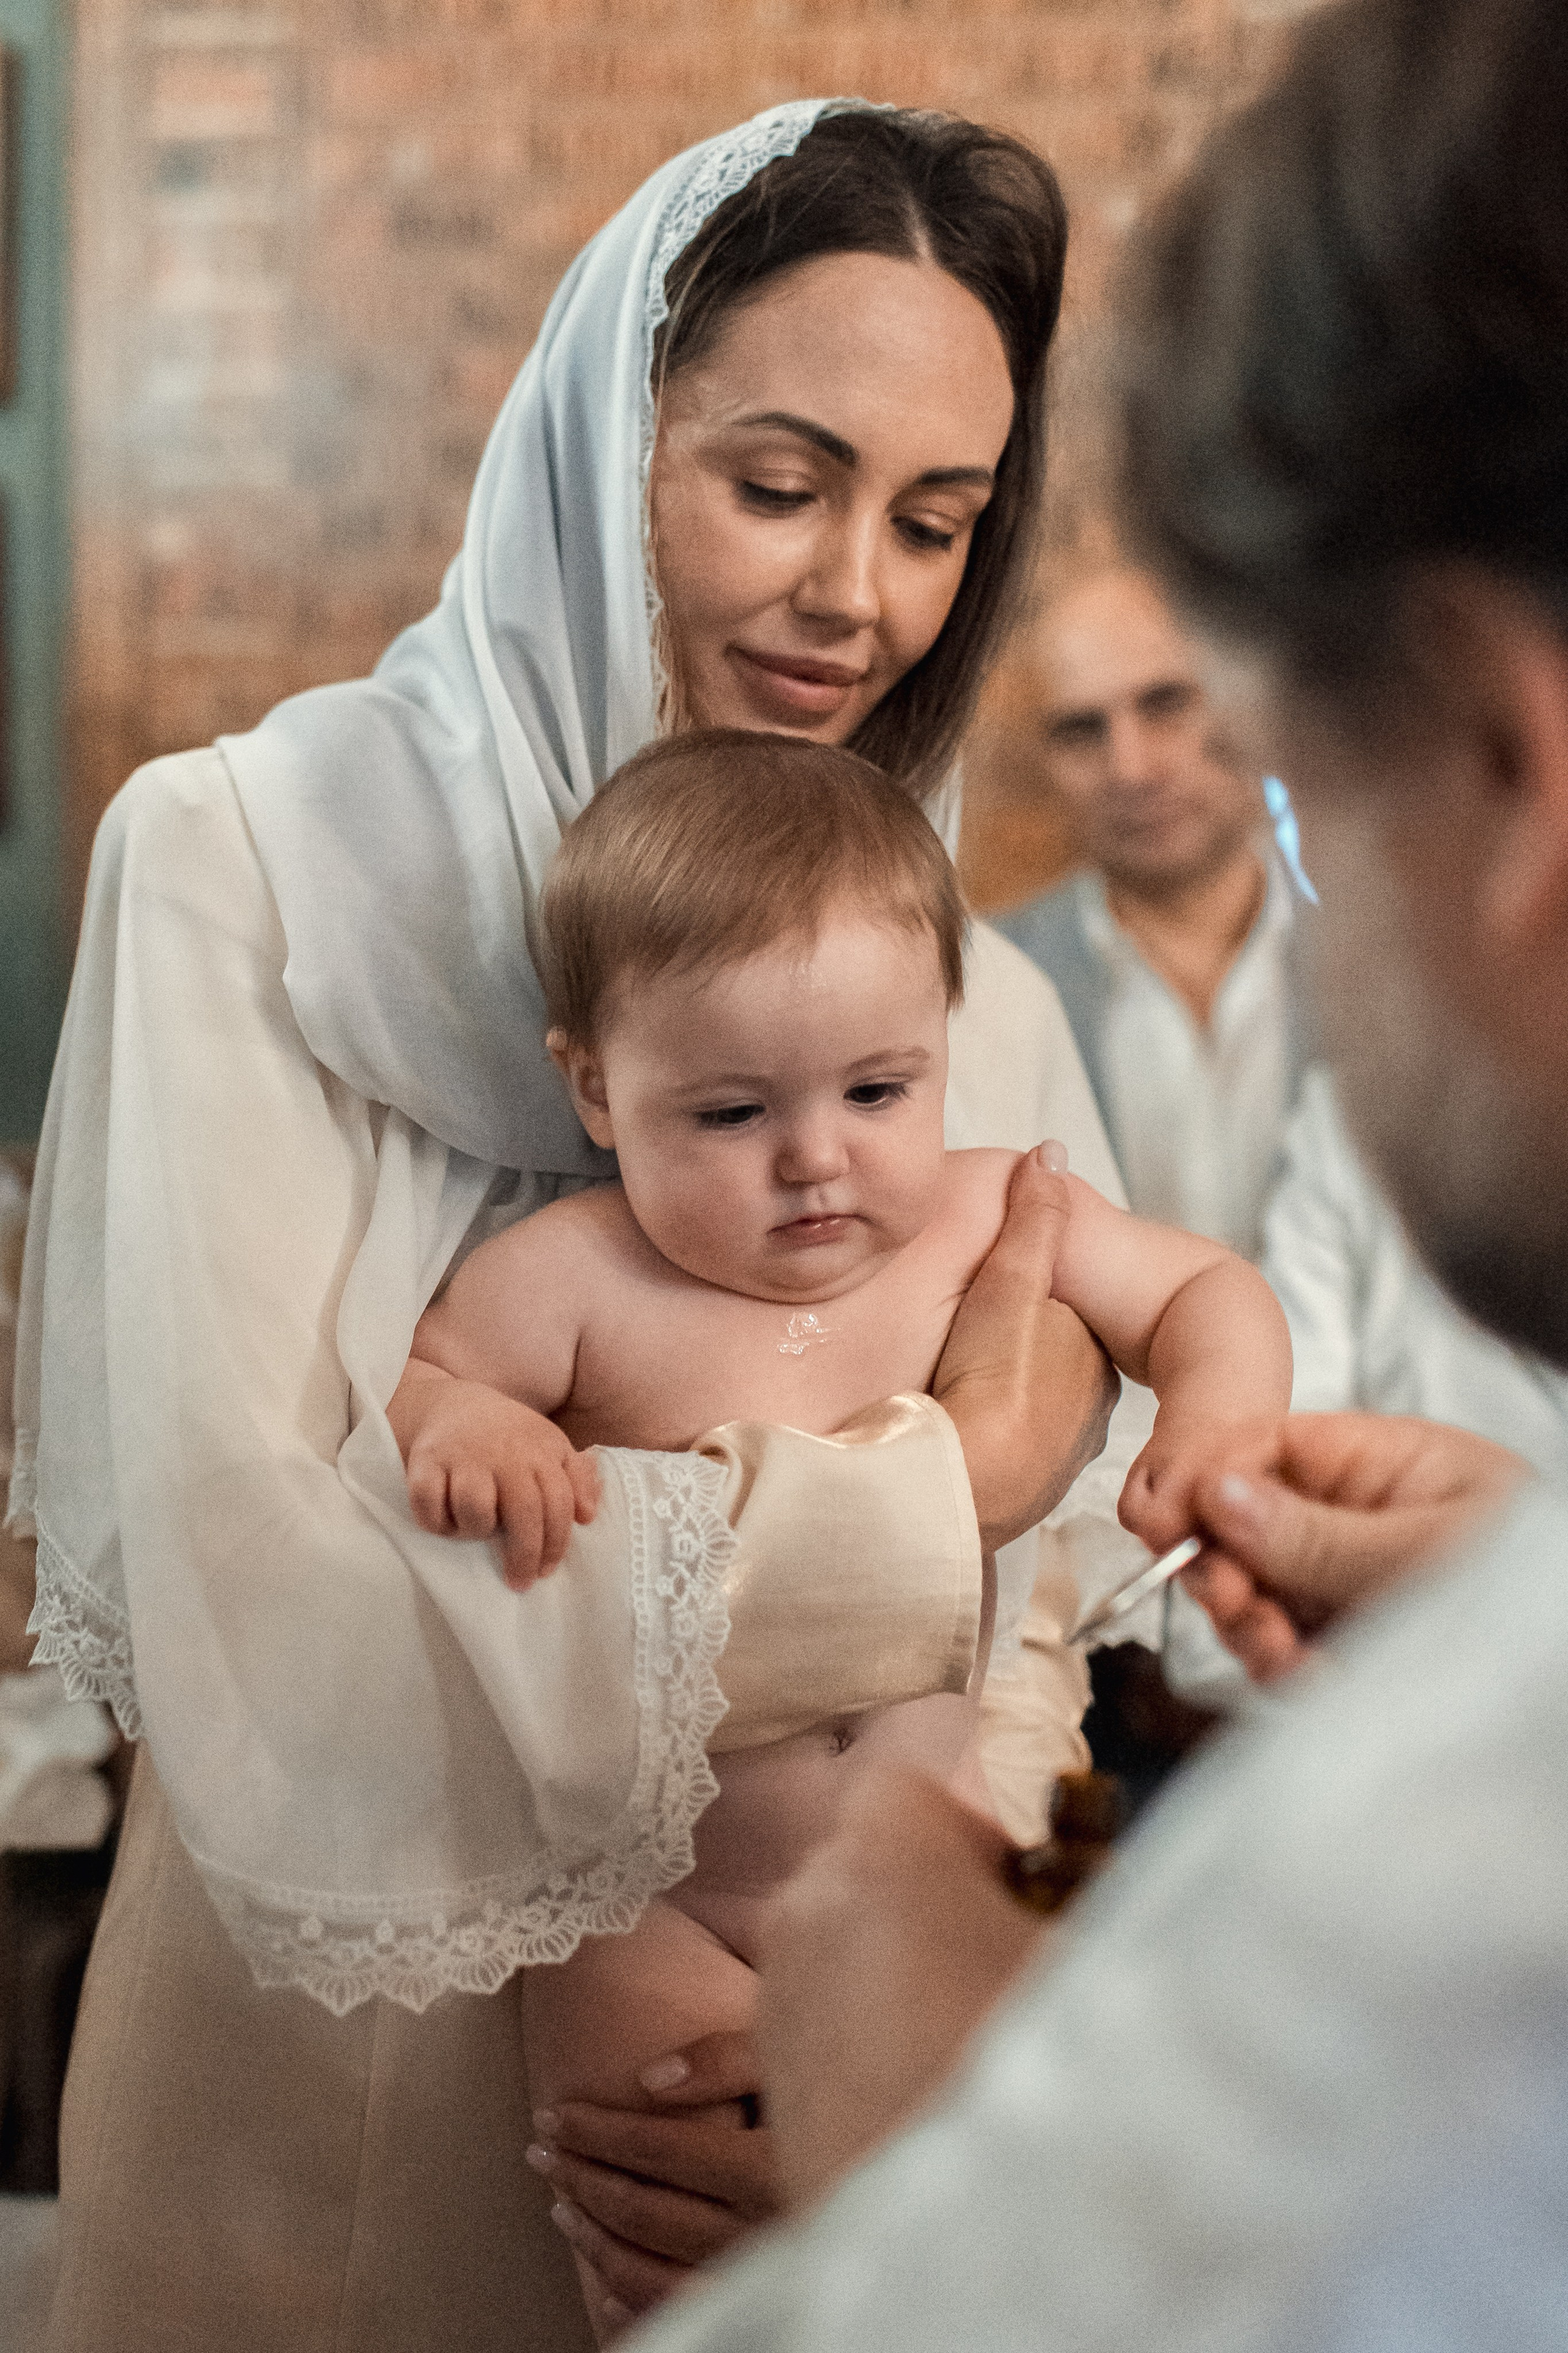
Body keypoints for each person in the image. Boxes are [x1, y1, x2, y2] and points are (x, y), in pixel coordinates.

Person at [6, 102, 1141, 2352]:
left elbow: (1030, 1634)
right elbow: (269, 1612)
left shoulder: (965, 999)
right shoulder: (240, 869)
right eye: (775, 480)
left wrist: (864, 2053)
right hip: (320, 2130)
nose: (857, 597)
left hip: (793, 2109)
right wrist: (938, 1495)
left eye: (935, 522)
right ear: (593, 438)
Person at [613, 1, 1568, 2343]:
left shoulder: (1445, 1894)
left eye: (1270, 770)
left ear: (1501, 760)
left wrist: (957, 2137)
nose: (849, 589)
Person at [386, 730, 1290, 2336]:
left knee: (955, 2234)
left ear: (944, 1039)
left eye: (879, 1090)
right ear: (595, 1084)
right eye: (730, 1112)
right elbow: (430, 1377)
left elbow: (1212, 1293)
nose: (815, 1161)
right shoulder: (582, 1279)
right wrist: (473, 1427)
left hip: (952, 1854)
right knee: (667, 2232)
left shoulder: (991, 1209)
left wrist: (1216, 1424)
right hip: (661, 1897)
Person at [998, 563, 1310, 1261]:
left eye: (1167, 703)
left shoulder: (1380, 958)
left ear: (1243, 700)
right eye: (1081, 730)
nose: (1132, 768)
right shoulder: (989, 980)